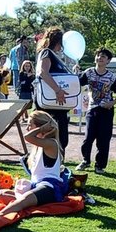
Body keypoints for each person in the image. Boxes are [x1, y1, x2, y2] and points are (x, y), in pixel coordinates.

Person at [0, 110, 71, 219]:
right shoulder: (40, 144)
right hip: (36, 185)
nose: (27, 128)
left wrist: (41, 129)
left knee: (26, 198)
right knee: (1, 193)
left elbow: (27, 137)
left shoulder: (51, 143)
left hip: (48, 187)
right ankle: (25, 204)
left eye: (30, 125)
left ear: (40, 127)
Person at [78, 49, 116, 172]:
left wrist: (112, 103)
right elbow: (76, 83)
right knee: (88, 137)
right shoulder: (88, 73)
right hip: (92, 109)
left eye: (103, 57)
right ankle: (85, 160)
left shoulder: (111, 77)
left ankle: (100, 165)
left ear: (108, 60)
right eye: (98, 55)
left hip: (106, 110)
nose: (100, 58)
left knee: (103, 139)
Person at [34, 27, 76, 159]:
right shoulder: (46, 53)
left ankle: (57, 163)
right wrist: (57, 90)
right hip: (50, 103)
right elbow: (43, 72)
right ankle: (50, 164)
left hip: (56, 105)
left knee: (61, 136)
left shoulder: (54, 56)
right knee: (53, 134)